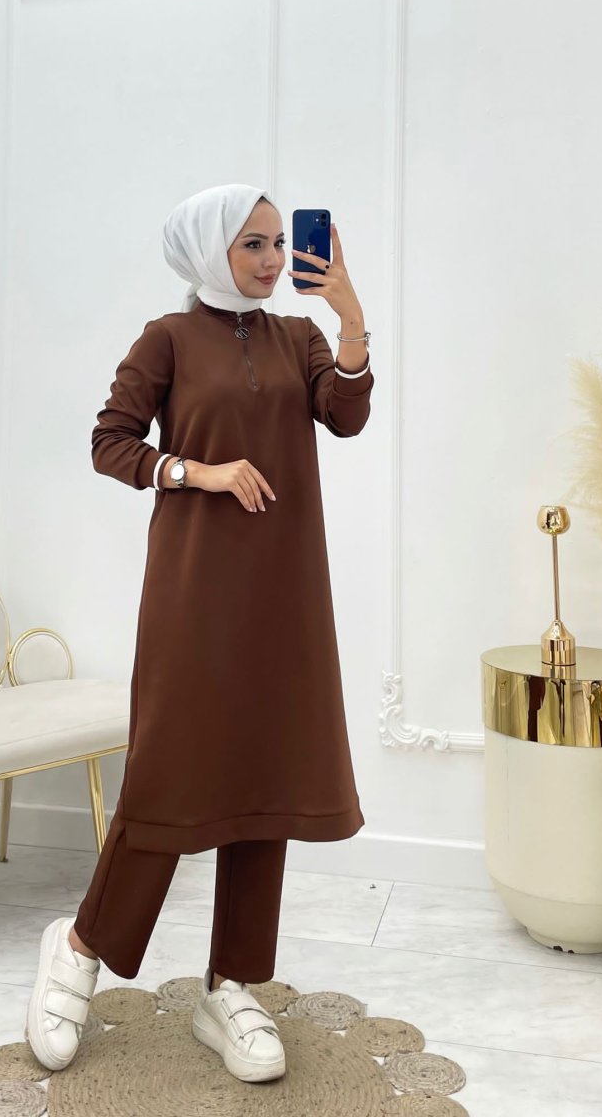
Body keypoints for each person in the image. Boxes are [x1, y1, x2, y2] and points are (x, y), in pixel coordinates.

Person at [26, 183, 374, 1084]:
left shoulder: (298, 338)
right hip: (194, 592)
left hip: (285, 593)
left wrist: (348, 317)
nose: (270, 260)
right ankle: (78, 948)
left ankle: (232, 985)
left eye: (278, 243)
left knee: (267, 776)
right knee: (169, 775)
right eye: (251, 244)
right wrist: (198, 472)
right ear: (208, 248)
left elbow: (346, 415)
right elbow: (110, 442)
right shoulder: (169, 339)